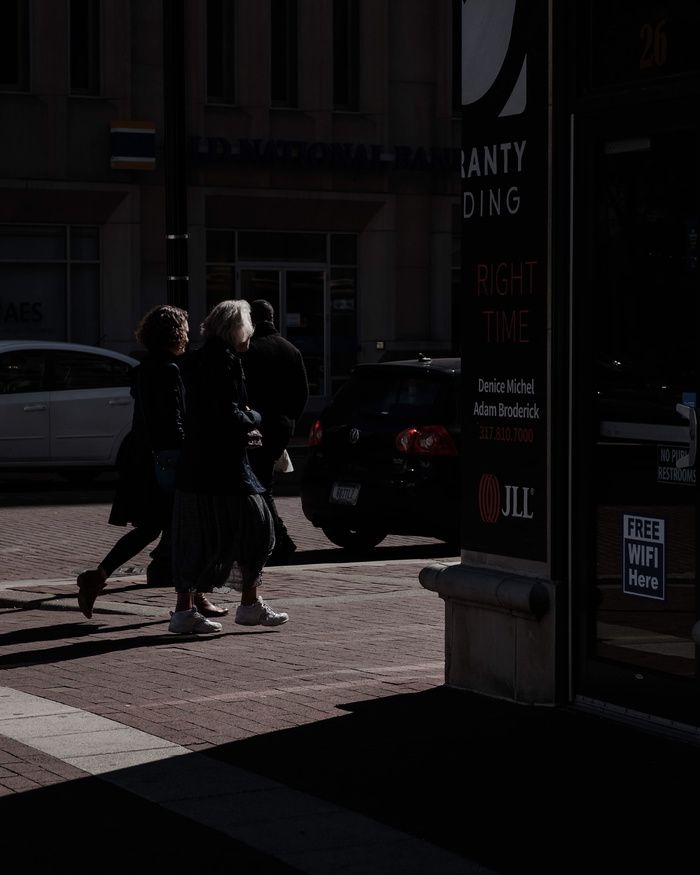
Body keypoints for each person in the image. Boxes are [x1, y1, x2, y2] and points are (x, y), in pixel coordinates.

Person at [76, 305, 226, 626]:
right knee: (188, 531)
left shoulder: (146, 368)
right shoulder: (169, 369)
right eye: (184, 328)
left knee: (152, 528)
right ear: (174, 332)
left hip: (147, 462)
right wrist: (190, 453)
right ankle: (191, 603)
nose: (188, 334)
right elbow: (172, 421)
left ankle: (98, 576)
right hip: (169, 463)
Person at [169, 299, 288, 632]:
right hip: (225, 467)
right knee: (259, 530)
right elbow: (227, 415)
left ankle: (185, 612)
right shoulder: (226, 362)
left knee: (195, 537)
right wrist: (256, 417)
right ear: (238, 329)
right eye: (249, 326)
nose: (252, 332)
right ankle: (248, 605)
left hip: (195, 466)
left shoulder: (192, 360)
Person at [241, 299, 309, 563]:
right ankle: (272, 537)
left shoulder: (251, 350)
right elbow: (303, 393)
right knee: (261, 482)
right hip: (281, 426)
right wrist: (290, 421)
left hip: (257, 426)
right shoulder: (291, 350)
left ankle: (279, 539)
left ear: (251, 321)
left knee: (259, 486)